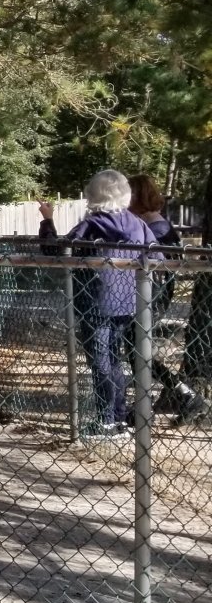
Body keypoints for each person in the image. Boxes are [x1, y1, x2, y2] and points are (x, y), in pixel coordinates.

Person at [39, 170, 161, 438]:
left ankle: (107, 420)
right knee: (113, 359)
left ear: (93, 194)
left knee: (100, 361)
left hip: (94, 302)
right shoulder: (137, 224)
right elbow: (158, 255)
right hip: (127, 302)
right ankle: (117, 417)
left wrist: (47, 222)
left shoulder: (92, 224)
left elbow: (56, 250)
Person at [128, 174, 205, 421]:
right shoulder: (150, 224)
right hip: (147, 292)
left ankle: (178, 396)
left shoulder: (156, 228)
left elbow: (163, 265)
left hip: (152, 293)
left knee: (137, 348)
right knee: (136, 349)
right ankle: (180, 395)